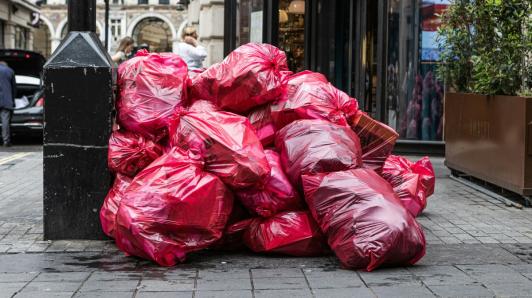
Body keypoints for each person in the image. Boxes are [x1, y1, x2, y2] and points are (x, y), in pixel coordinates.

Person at [0, 61, 16, 147]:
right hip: (6, 100)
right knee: (5, 121)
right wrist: (13, 101)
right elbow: (14, 88)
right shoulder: (10, 71)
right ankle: (6, 140)